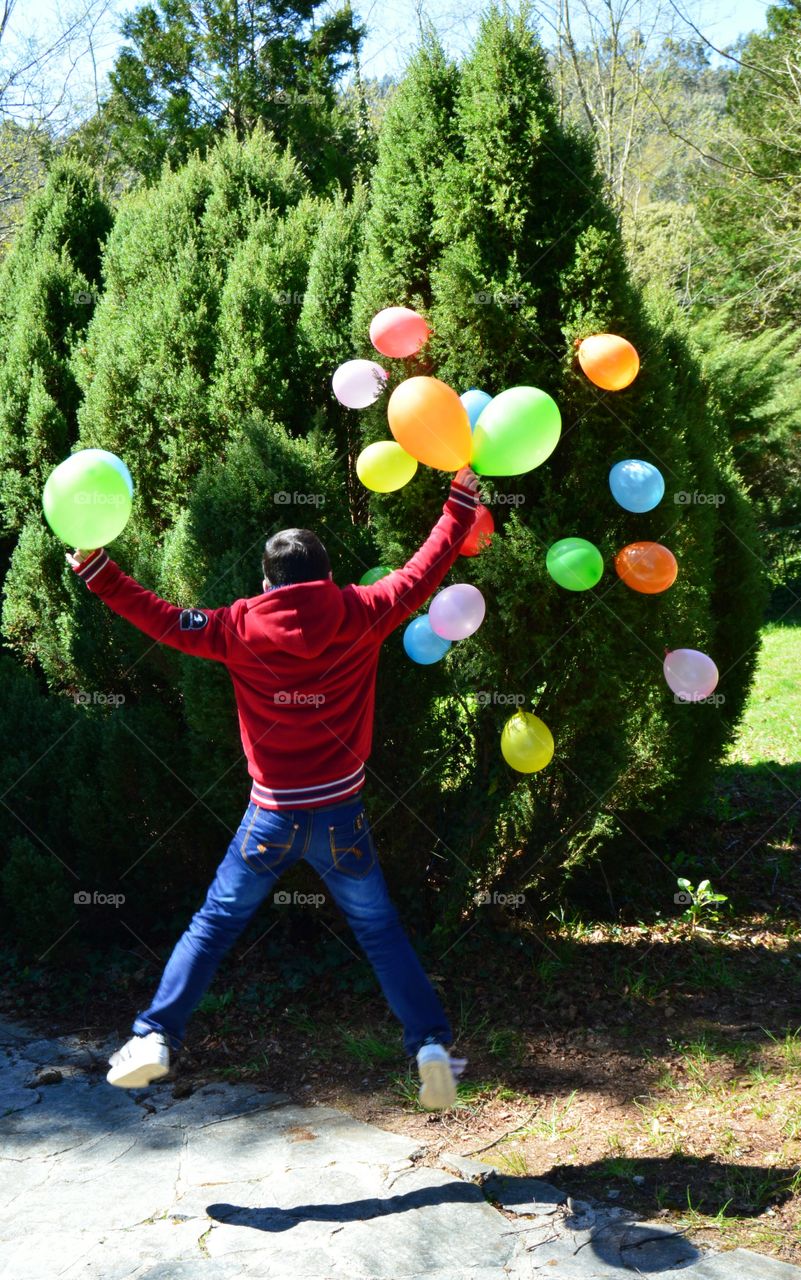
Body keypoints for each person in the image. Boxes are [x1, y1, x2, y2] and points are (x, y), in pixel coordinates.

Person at [66, 466, 480, 1108]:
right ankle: (429, 1047)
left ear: (268, 583)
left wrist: (97, 571)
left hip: (270, 819)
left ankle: (153, 1038)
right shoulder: (366, 609)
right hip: (341, 816)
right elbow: (425, 569)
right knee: (380, 932)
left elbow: (163, 620)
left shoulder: (235, 626)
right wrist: (458, 502)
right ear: (326, 574)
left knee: (212, 927)